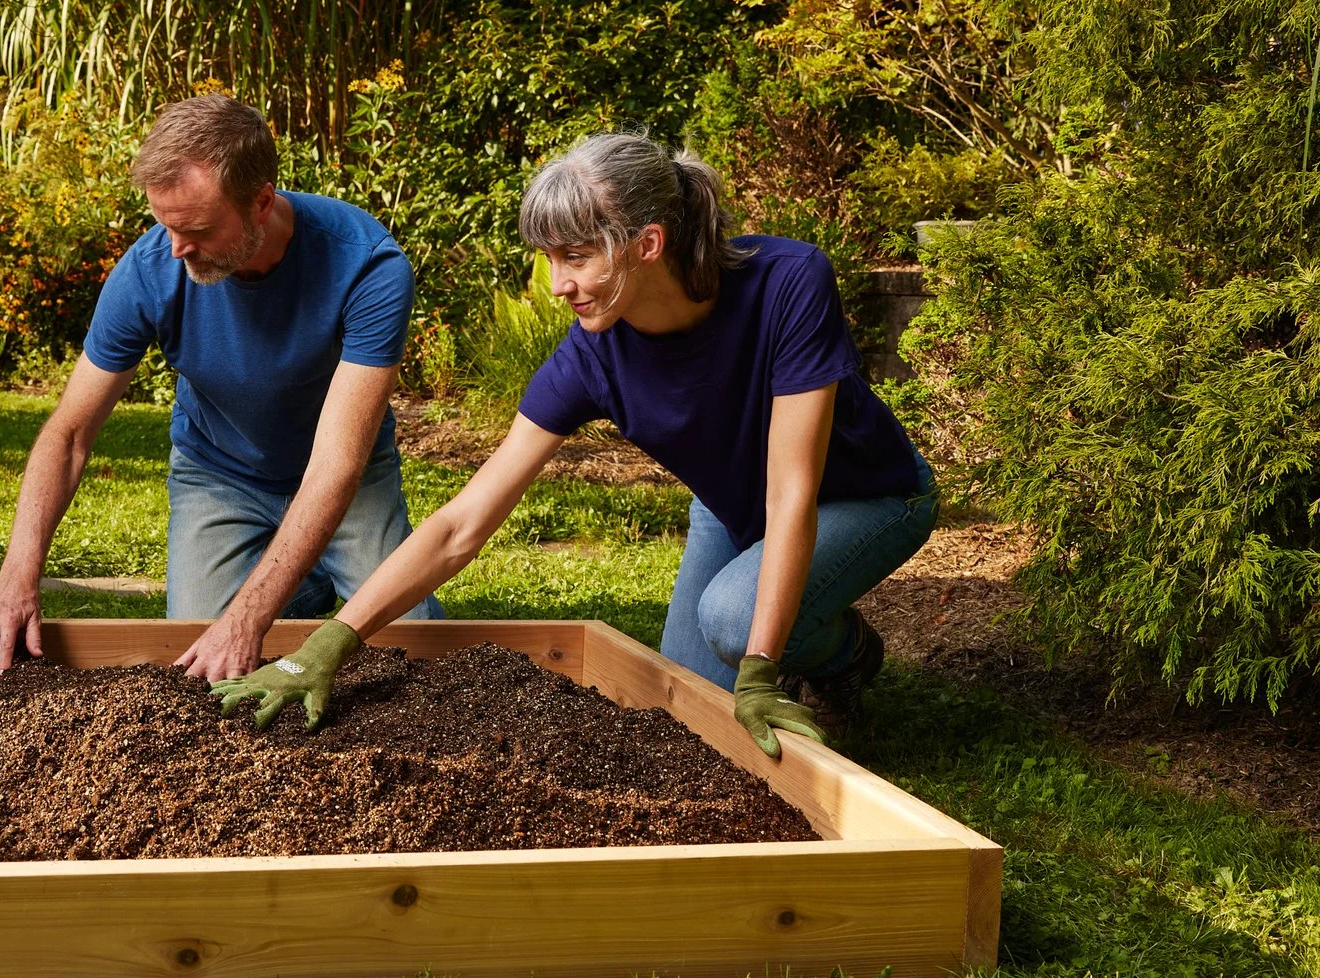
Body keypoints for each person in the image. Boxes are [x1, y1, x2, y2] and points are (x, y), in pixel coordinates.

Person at [217, 132, 936, 756]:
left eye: (576, 257)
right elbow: (463, 523)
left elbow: (792, 490)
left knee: (730, 622)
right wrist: (335, 640)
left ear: (647, 243)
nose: (558, 285)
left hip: (867, 494)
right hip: (733, 508)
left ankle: (840, 658)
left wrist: (759, 665)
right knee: (679, 711)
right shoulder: (592, 356)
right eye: (548, 258)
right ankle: (810, 638)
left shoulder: (788, 282)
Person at [0, 93, 441, 684]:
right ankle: (297, 578)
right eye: (165, 225)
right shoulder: (151, 268)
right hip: (218, 475)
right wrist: (17, 576)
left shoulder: (367, 268)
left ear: (261, 202)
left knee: (416, 652)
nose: (177, 248)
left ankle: (293, 577)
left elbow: (336, 465)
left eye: (198, 230)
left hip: (351, 482)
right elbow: (71, 431)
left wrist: (250, 618)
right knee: (199, 659)